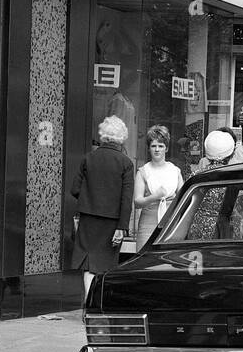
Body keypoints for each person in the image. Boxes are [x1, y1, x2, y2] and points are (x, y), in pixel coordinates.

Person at [70, 116, 135, 295]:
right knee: (105, 265)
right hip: (112, 223)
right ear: (122, 137)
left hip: (88, 219)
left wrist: (90, 199)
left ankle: (88, 303)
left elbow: (75, 189)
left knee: (88, 265)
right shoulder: (126, 163)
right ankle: (96, 306)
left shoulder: (88, 158)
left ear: (102, 135)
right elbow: (126, 199)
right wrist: (122, 227)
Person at [133, 124, 185, 249]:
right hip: (148, 223)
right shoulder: (143, 171)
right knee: (144, 260)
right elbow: (137, 202)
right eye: (153, 146)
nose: (157, 149)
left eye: (160, 146)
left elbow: (183, 198)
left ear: (166, 148)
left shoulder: (175, 171)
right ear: (149, 148)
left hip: (170, 222)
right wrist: (154, 196)